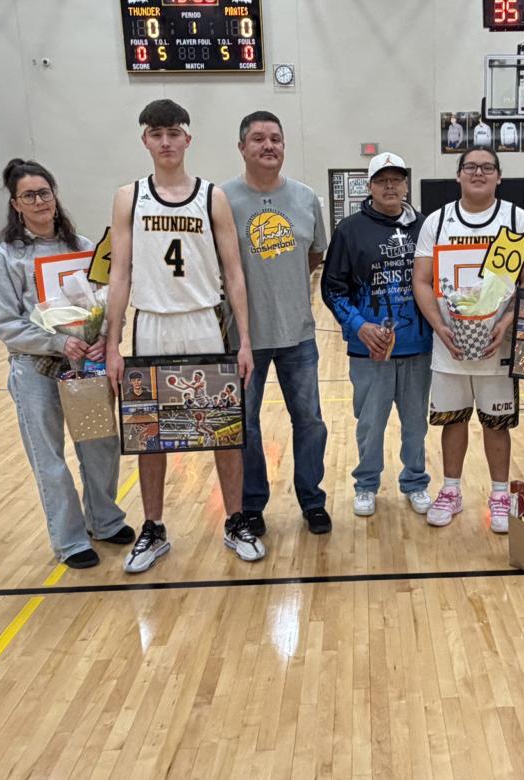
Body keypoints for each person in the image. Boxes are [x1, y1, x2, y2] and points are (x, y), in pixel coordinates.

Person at [105, 99, 257, 569]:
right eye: (156, 134)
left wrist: (245, 340)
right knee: (150, 436)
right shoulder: (129, 196)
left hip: (203, 321)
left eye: (173, 133)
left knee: (222, 431)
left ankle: (234, 520)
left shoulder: (213, 196)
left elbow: (234, 273)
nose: (166, 142)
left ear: (188, 138)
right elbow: (120, 274)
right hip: (151, 323)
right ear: (145, 140)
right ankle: (153, 529)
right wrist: (112, 342)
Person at [0, 158, 133, 569]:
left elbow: (106, 299)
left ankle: (104, 520)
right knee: (49, 457)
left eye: (44, 192)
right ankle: (70, 540)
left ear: (55, 194)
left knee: (99, 446)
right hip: (35, 369)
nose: (39, 201)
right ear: (16, 204)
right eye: (28, 195)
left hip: (85, 366)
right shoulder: (5, 258)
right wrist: (55, 341)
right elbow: (5, 323)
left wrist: (103, 337)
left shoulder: (83, 247)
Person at [413, 146, 524, 531]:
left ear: (499, 177)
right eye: (470, 167)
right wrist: (439, 326)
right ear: (458, 176)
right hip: (449, 344)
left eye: (487, 167)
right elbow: (421, 280)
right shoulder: (437, 222)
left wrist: (507, 323)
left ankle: (500, 495)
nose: (479, 173)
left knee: (496, 423)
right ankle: (451, 490)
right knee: (452, 420)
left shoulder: (517, 220)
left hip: (498, 345)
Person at [221, 110, 332, 536]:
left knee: (310, 421)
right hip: (243, 338)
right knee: (244, 426)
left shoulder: (305, 198)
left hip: (298, 334)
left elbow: (314, 255)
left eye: (276, 139)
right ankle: (251, 505)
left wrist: (282, 284)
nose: (268, 146)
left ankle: (312, 500)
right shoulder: (223, 199)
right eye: (258, 139)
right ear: (242, 147)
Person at [320, 152, 433, 518]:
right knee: (370, 424)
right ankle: (366, 485)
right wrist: (359, 326)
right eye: (382, 180)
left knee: (416, 423)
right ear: (369, 186)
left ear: (405, 184)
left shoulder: (426, 228)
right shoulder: (349, 230)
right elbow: (331, 288)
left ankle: (415, 482)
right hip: (371, 349)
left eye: (396, 179)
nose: (390, 186)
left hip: (418, 347)